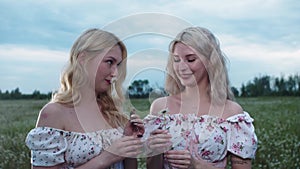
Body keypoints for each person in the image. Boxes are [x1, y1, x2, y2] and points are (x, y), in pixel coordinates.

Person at [25, 28, 144, 169]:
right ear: (83, 59)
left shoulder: (113, 113)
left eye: (118, 65)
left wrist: (130, 141)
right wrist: (107, 157)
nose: (115, 73)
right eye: (109, 62)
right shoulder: (53, 114)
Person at [144, 27, 258, 169]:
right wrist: (155, 150)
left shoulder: (232, 113)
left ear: (211, 61)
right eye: (176, 60)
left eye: (190, 59)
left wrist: (197, 165)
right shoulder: (160, 108)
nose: (181, 67)